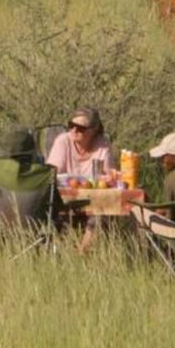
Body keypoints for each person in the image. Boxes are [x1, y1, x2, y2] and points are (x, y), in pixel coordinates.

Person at [46, 107, 114, 253]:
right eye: (71, 125)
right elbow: (52, 174)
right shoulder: (63, 141)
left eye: (81, 128)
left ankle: (82, 252)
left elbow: (108, 175)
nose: (74, 131)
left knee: (103, 209)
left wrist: (107, 177)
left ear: (93, 130)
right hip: (65, 199)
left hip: (94, 200)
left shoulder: (102, 144)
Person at [131, 131, 175, 241]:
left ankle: (149, 253)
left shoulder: (173, 178)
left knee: (136, 210)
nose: (161, 161)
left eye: (164, 157)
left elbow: (171, 218)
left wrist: (158, 213)